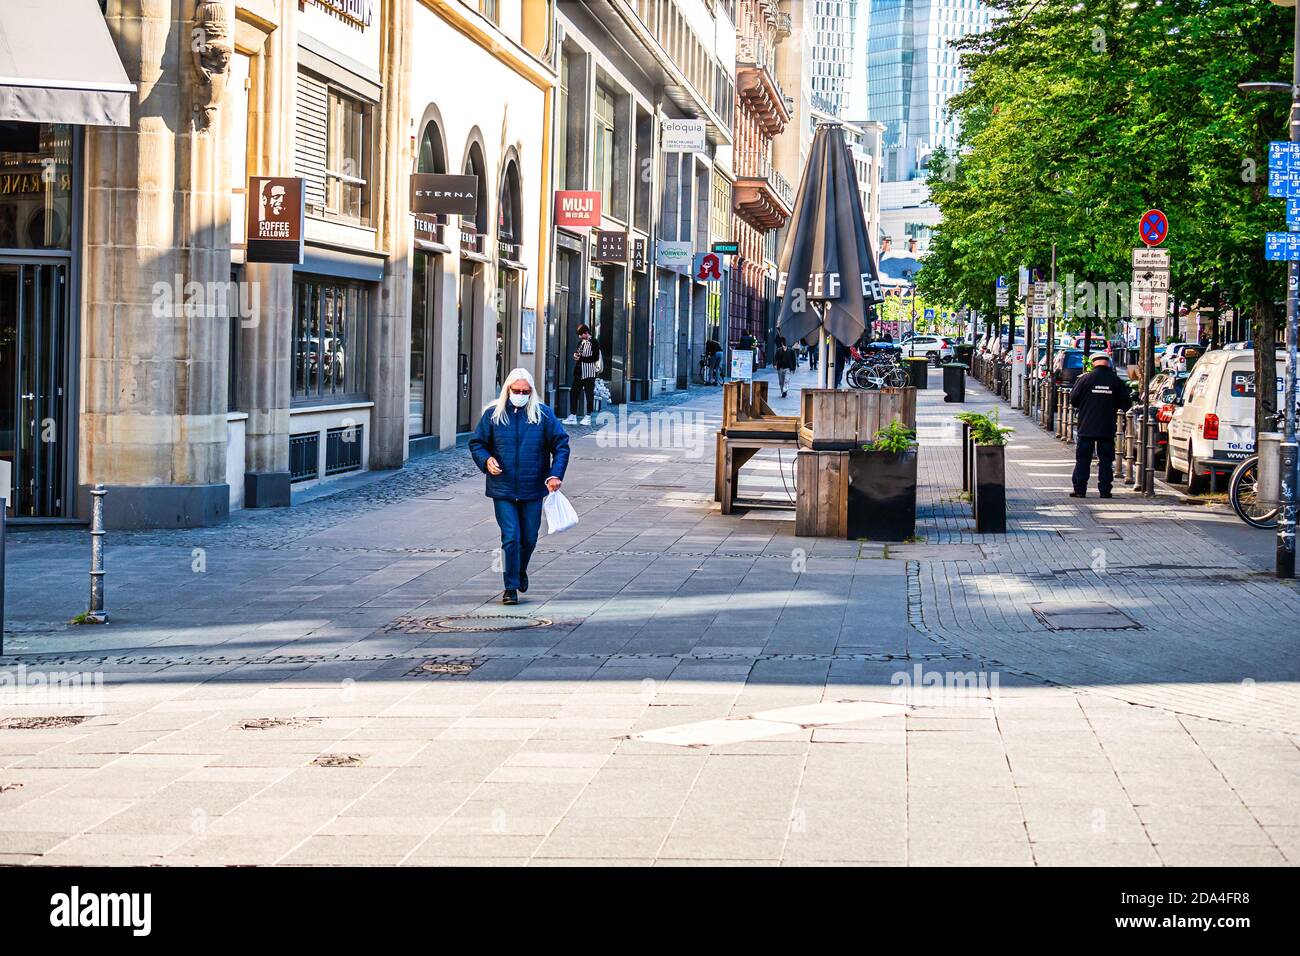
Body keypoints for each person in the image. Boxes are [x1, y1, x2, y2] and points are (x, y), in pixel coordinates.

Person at [470, 368, 570, 605]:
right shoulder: (494, 415)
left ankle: (520, 569)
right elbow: (477, 443)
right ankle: (510, 587)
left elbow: (561, 445)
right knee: (511, 537)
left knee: (529, 538)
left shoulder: (543, 415)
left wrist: (555, 474)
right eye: (517, 391)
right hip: (502, 487)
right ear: (508, 390)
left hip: (532, 487)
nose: (521, 394)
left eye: (526, 391)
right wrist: (486, 460)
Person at [1069, 351, 1132, 499]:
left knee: (1083, 458)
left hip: (1086, 426)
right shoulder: (1115, 381)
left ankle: (1080, 490)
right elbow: (1126, 404)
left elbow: (1073, 399)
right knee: (1105, 460)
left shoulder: (1085, 379)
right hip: (1107, 427)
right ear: (1108, 363)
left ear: (1092, 363)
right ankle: (1105, 490)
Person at [562, 324, 601, 425]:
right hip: (579, 372)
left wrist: (582, 358)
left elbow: (595, 357)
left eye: (581, 334)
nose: (579, 336)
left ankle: (588, 416)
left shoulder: (594, 342)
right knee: (574, 392)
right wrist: (576, 356)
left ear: (586, 333)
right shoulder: (580, 343)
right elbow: (578, 354)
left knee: (589, 394)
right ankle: (573, 415)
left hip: (589, 372)